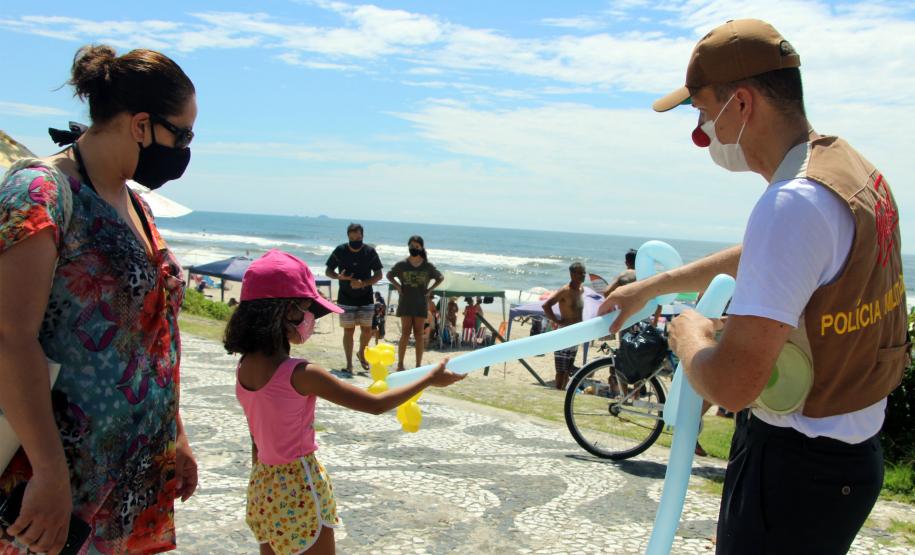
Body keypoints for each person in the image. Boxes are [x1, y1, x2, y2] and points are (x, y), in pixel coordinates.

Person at [603, 19, 907, 554]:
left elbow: (734, 384)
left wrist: (688, 333)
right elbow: (780, 257)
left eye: (701, 111)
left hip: (795, 467)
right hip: (849, 458)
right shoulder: (845, 170)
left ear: (741, 105)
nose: (702, 133)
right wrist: (655, 285)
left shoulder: (790, 205)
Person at [0, 44, 198, 553]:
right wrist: (49, 474)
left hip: (132, 482)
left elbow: (152, 333)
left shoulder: (133, 200)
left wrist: (175, 436)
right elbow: (9, 337)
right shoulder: (41, 191)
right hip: (61, 483)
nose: (186, 150)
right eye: (183, 134)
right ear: (140, 125)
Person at [227, 250, 463, 554]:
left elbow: (256, 439)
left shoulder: (244, 366)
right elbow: (375, 404)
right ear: (285, 312)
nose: (310, 318)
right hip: (300, 485)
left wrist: (266, 481)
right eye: (306, 309)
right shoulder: (302, 374)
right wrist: (430, 378)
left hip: (262, 485)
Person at [325, 223, 383, 373]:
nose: (354, 241)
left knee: (367, 331)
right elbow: (328, 271)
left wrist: (363, 283)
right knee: (348, 332)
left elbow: (379, 275)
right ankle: (349, 364)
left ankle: (361, 354)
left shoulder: (370, 252)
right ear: (348, 237)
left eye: (357, 237)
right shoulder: (340, 250)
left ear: (362, 236)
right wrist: (338, 276)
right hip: (345, 298)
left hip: (366, 298)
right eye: (351, 238)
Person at [386, 235, 444, 370]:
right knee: (405, 334)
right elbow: (389, 275)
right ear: (408, 247)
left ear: (422, 247)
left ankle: (418, 365)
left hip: (420, 303)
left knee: (419, 334)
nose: (414, 248)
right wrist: (398, 286)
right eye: (412, 246)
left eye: (417, 246)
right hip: (405, 303)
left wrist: (430, 289)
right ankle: (400, 364)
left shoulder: (427, 266)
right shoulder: (402, 264)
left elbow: (440, 277)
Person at [543, 262, 586, 390]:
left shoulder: (582, 290)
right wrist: (557, 321)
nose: (583, 275)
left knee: (568, 369)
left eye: (584, 272)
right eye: (580, 273)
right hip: (564, 332)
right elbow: (546, 305)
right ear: (572, 274)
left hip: (576, 333)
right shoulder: (565, 291)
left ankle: (562, 392)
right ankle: (557, 390)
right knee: (561, 369)